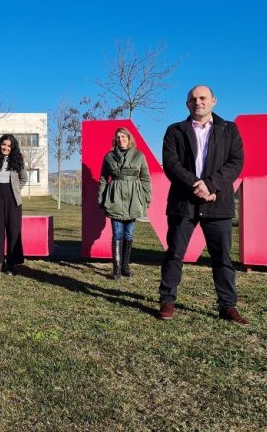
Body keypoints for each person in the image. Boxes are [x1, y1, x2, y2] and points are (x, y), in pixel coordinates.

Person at [158, 85, 248, 325]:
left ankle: (227, 305)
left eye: (202, 98)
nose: (198, 102)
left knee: (222, 257)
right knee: (174, 253)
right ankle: (167, 300)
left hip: (217, 203)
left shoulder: (229, 129)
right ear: (187, 103)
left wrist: (210, 185)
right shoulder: (174, 130)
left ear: (214, 101)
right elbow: (171, 163)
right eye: (193, 99)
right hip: (183, 202)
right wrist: (197, 185)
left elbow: (236, 162)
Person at [97, 127, 152, 280]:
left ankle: (125, 266)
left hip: (134, 198)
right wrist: (101, 198)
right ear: (115, 139)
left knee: (129, 234)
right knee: (117, 234)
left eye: (123, 137)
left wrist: (146, 197)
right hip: (115, 198)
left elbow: (146, 178)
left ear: (129, 138)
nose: (120, 139)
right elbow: (103, 179)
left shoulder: (139, 156)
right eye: (118, 137)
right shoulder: (108, 157)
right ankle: (116, 269)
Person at [0, 134, 27, 275]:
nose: (6, 147)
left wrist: (14, 189)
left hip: (13, 199)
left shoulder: (18, 161)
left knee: (13, 231)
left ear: (13, 147)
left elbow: (23, 178)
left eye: (9, 146)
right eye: (4, 144)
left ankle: (11, 264)